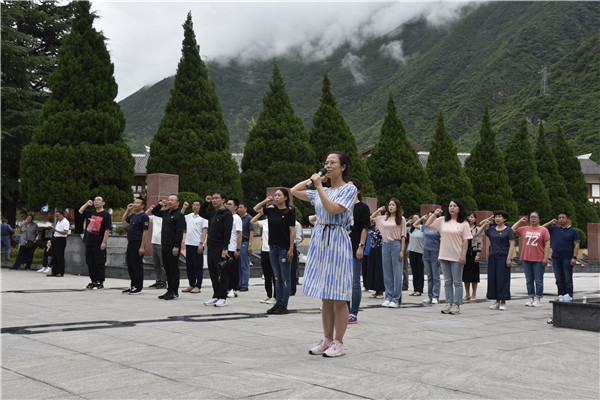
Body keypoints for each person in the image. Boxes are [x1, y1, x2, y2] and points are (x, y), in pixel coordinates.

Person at [291, 150, 357, 357]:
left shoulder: (349, 189)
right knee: (325, 296)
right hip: (320, 241)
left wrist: (319, 186)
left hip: (337, 240)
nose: (328, 166)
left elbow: (332, 209)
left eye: (332, 163)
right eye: (326, 163)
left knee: (338, 295)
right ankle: (327, 339)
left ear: (343, 167)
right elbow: (294, 191)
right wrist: (315, 181)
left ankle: (339, 342)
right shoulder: (323, 189)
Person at [425, 200, 472, 315]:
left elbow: (466, 240)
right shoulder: (442, 220)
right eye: (450, 206)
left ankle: (456, 304)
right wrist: (435, 214)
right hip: (444, 255)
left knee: (457, 282)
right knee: (447, 282)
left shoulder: (464, 223)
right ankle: (449, 302)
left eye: (454, 206)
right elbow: (427, 224)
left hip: (457, 256)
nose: (452, 208)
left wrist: (463, 255)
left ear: (459, 208)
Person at [254, 188, 296, 315]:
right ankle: (278, 303)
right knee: (277, 277)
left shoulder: (289, 212)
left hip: (284, 248)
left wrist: (291, 248)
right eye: (275, 195)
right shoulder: (271, 210)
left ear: (286, 197)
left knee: (285, 278)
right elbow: (256, 208)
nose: (276, 197)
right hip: (272, 248)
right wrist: (266, 200)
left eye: (279, 195)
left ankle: (284, 304)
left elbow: (292, 231)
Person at [199, 191, 233, 307]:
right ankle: (216, 295)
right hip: (211, 247)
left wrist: (225, 248)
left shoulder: (226, 214)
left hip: (220, 247)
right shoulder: (213, 213)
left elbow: (227, 232)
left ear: (223, 200)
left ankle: (223, 298)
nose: (214, 200)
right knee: (213, 272)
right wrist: (205, 202)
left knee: (222, 273)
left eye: (216, 198)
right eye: (213, 198)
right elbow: (201, 213)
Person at [370, 198, 406, 308]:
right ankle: (388, 297)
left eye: (393, 205)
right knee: (387, 273)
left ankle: (396, 299)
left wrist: (402, 250)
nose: (391, 207)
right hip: (385, 245)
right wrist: (378, 210)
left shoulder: (401, 219)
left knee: (397, 273)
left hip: (396, 245)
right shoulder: (384, 218)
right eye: (389, 205)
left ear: (397, 207)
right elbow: (371, 218)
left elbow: (403, 236)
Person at [150, 195, 185, 300]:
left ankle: (174, 291)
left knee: (173, 269)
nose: (170, 202)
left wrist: (176, 246)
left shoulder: (179, 215)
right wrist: (160, 204)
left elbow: (179, 232)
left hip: (173, 246)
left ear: (177, 203)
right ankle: (169, 290)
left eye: (172, 200)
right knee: (167, 269)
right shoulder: (166, 213)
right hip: (164, 245)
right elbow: (154, 212)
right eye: (169, 200)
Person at [478, 210, 515, 311]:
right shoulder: (491, 229)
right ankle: (496, 300)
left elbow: (512, 244)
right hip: (492, 256)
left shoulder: (508, 230)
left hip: (503, 257)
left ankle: (503, 301)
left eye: (500, 217)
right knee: (493, 279)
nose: (497, 218)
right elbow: (478, 233)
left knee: (502, 279)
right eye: (496, 217)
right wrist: (485, 223)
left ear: (505, 219)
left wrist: (509, 257)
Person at [512, 211, 551, 307]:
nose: (533, 219)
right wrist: (520, 221)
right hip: (526, 258)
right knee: (529, 280)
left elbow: (547, 244)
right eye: (531, 217)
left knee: (538, 280)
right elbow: (512, 230)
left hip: (538, 259)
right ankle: (531, 297)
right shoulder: (524, 229)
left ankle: (538, 298)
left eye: (535, 217)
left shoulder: (543, 230)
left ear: (539, 219)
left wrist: (546, 257)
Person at [346, 178, 371, 324]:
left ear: (358, 190)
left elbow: (365, 228)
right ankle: (344, 311)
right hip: (342, 248)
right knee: (344, 282)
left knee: (355, 281)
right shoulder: (342, 206)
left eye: (352, 187)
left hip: (355, 247)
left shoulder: (362, 207)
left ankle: (353, 312)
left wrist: (361, 246)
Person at [543, 212, 580, 299]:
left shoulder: (573, 231)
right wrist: (550, 222)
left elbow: (577, 245)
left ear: (568, 219)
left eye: (563, 217)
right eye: (559, 218)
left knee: (567, 278)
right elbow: (541, 229)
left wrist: (574, 257)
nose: (561, 219)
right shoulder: (554, 229)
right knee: (558, 278)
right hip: (556, 257)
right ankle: (561, 294)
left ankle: (569, 295)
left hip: (567, 257)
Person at [79, 196, 111, 289]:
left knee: (99, 262)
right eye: (95, 200)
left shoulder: (106, 215)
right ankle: (93, 281)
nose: (96, 202)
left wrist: (104, 242)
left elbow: (107, 229)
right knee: (90, 262)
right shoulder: (91, 213)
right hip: (89, 241)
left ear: (103, 203)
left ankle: (100, 281)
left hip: (99, 242)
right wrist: (87, 204)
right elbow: (80, 211)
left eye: (99, 200)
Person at [121, 197, 150, 294]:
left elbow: (145, 232)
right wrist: (128, 210)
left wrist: (142, 247)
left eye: (137, 203)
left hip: (138, 243)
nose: (135, 204)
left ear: (142, 206)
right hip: (131, 243)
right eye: (134, 202)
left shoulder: (144, 216)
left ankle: (138, 286)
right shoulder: (133, 215)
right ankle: (133, 285)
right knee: (130, 265)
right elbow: (123, 221)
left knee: (137, 265)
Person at [181, 200, 208, 294]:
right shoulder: (189, 216)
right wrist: (184, 208)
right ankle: (191, 284)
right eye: (194, 205)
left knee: (198, 266)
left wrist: (201, 243)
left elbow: (205, 231)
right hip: (188, 244)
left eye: (197, 205)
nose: (195, 206)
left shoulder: (203, 217)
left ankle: (198, 286)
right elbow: (179, 217)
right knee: (189, 266)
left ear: (201, 207)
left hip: (197, 245)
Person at [251, 211, 276, 304]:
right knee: (266, 275)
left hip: (274, 250)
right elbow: (252, 221)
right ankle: (268, 295)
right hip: (265, 250)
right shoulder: (264, 222)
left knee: (275, 275)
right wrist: (260, 213)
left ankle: (275, 296)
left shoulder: (277, 221)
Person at [420, 213, 441, 305]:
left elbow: (442, 242)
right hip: (426, 252)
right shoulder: (426, 227)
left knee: (436, 276)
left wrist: (440, 256)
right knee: (429, 276)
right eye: (429, 216)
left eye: (433, 216)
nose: (431, 217)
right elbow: (415, 225)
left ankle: (435, 296)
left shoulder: (439, 228)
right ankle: (430, 296)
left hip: (435, 252)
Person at [146, 205, 167, 290]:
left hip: (162, 243)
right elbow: (143, 217)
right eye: (160, 206)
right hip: (154, 242)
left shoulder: (166, 216)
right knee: (156, 264)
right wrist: (149, 209)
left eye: (164, 206)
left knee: (163, 265)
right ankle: (158, 281)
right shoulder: (154, 217)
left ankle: (163, 282)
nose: (162, 208)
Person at [225, 198, 243, 299]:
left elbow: (239, 234)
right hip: (226, 248)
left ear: (235, 207)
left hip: (233, 248)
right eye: (227, 204)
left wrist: (238, 249)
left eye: (230, 204)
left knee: (233, 270)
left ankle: (234, 289)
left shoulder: (236, 218)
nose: (227, 205)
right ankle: (227, 288)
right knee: (226, 270)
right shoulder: (226, 217)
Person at [463, 212, 482, 301]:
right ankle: (467, 293)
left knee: (474, 275)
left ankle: (474, 294)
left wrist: (478, 255)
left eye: (472, 217)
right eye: (468, 217)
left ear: (475, 219)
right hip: (465, 253)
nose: (470, 218)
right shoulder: (464, 228)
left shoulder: (477, 229)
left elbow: (479, 242)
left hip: (474, 253)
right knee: (466, 274)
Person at [365, 222, 385, 299]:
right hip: (372, 248)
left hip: (380, 248)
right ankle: (376, 290)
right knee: (373, 269)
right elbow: (368, 220)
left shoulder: (383, 225)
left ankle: (381, 290)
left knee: (379, 269)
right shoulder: (373, 226)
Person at [47, 210, 69, 277]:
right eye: (56, 216)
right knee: (54, 255)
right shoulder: (58, 222)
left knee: (60, 256)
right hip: (55, 238)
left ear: (62, 215)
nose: (57, 217)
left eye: (58, 216)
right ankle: (54, 271)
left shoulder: (65, 222)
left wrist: (56, 230)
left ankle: (60, 272)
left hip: (61, 239)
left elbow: (65, 232)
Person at [237, 202, 254, 291]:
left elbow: (251, 232)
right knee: (239, 265)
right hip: (238, 244)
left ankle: (245, 284)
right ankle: (239, 283)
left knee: (244, 265)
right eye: (238, 208)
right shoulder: (238, 218)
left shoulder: (249, 218)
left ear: (245, 208)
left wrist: (250, 245)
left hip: (245, 243)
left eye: (241, 207)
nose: (239, 209)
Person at [407, 214, 425, 297]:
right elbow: (401, 229)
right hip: (412, 252)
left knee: (420, 271)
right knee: (414, 271)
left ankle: (419, 289)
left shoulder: (422, 229)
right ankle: (415, 289)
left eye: (416, 218)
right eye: (413, 218)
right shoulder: (411, 229)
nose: (414, 219)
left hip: (420, 252)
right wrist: (407, 223)